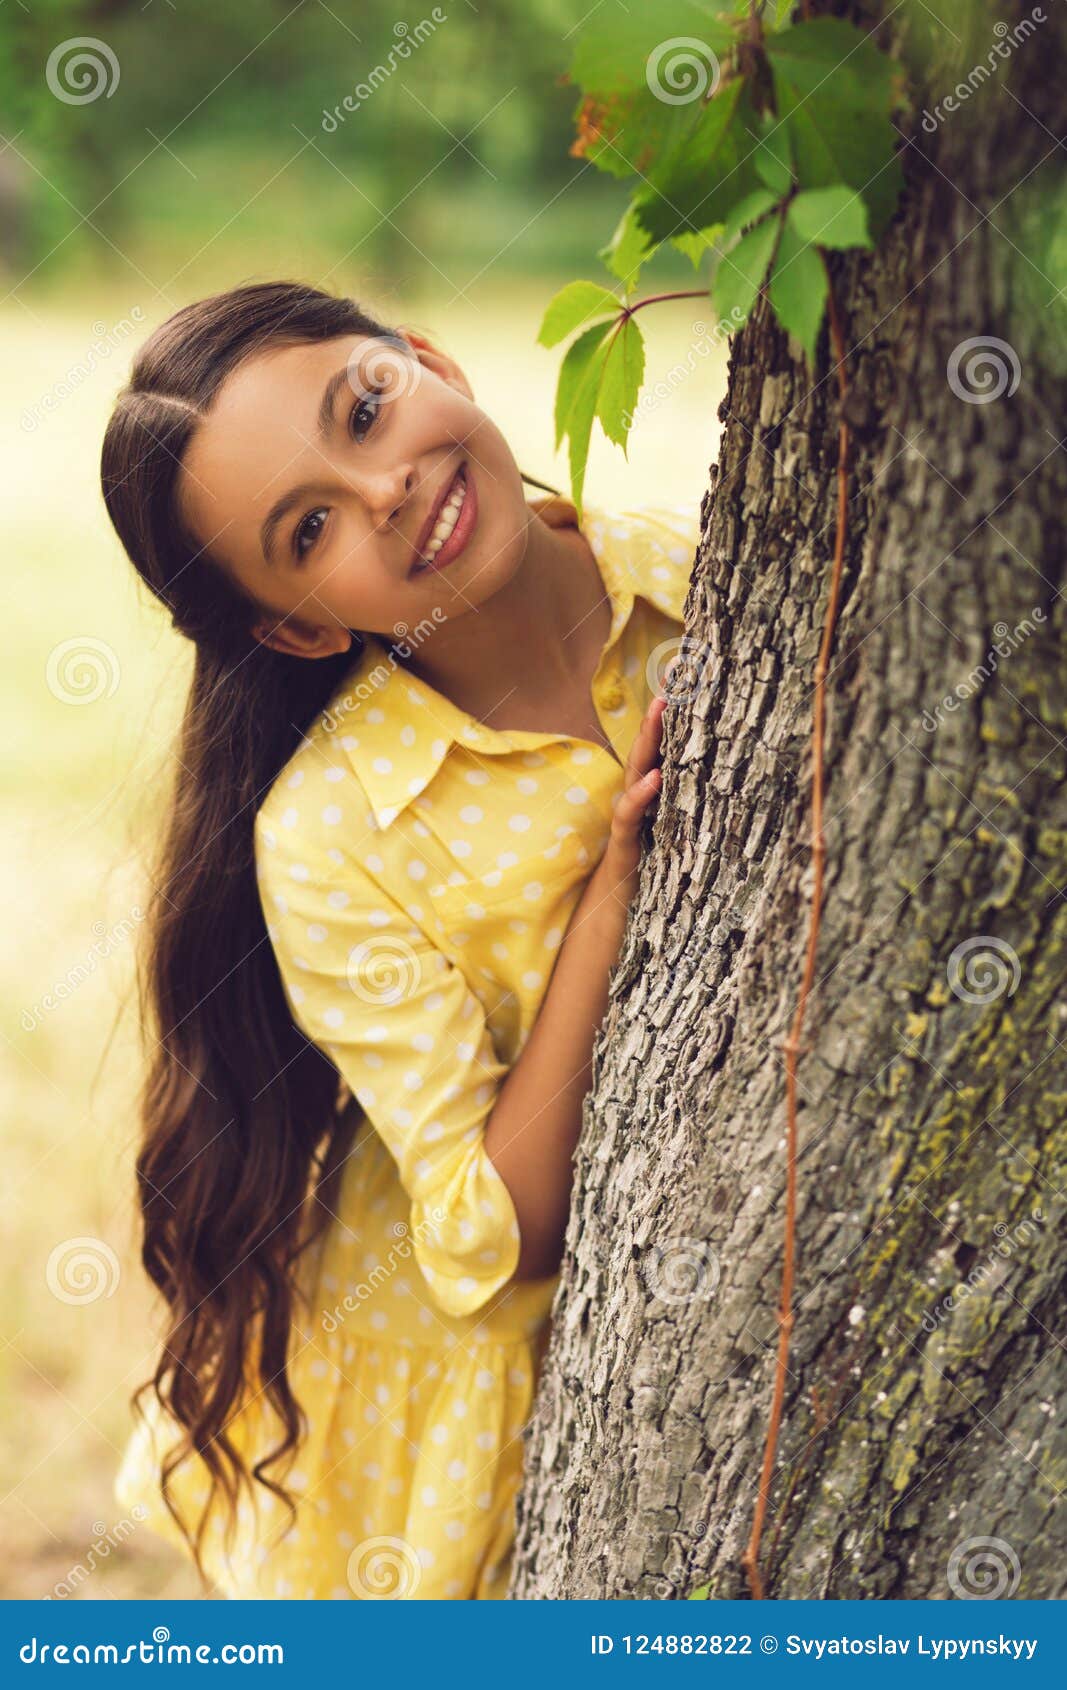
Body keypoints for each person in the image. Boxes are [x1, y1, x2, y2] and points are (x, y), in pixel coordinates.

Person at [100, 279, 702, 1599]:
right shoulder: (334, 831)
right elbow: (503, 1231)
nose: (385, 490)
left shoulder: (706, 574)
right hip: (465, 1360)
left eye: (366, 407)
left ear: (427, 360)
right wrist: (610, 891)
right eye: (310, 525)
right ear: (304, 623)